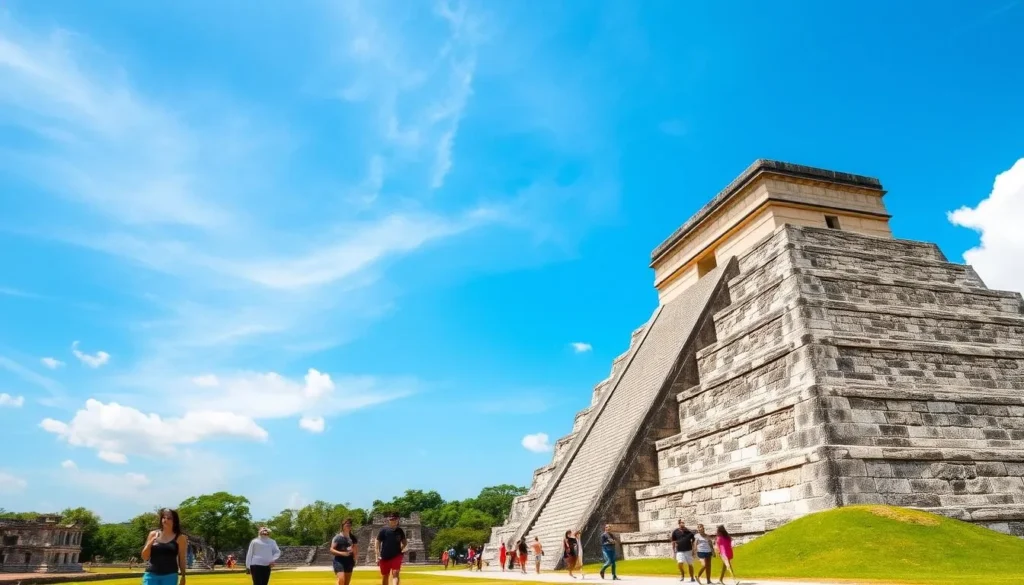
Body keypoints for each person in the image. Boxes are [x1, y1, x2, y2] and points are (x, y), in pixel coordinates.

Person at [141, 508, 188, 585]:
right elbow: (145, 557)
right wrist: (150, 543)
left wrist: (183, 576)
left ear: (175, 521)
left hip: (170, 576)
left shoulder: (180, 538)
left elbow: (182, 559)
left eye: (169, 518)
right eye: (163, 517)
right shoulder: (153, 534)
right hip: (151, 575)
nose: (165, 520)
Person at [375, 513, 407, 585]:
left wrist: (400, 549)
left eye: (395, 519)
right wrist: (377, 556)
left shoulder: (400, 531)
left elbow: (405, 542)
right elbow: (377, 543)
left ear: (398, 520)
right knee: (385, 576)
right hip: (385, 556)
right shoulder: (383, 530)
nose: (394, 521)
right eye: (392, 519)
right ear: (389, 520)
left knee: (395, 573)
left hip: (396, 556)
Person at [329, 519, 359, 585]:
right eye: (347, 524)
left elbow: (355, 549)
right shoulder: (337, 537)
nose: (348, 525)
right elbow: (331, 549)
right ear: (342, 526)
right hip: (339, 561)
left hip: (349, 561)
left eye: (350, 524)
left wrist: (355, 559)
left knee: (346, 583)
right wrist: (342, 553)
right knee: (341, 580)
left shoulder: (353, 538)